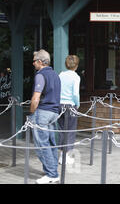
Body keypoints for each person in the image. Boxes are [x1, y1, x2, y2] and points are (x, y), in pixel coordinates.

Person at [29, 49, 61, 184]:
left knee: (42, 144)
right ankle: (52, 170)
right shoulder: (55, 75)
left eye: (34, 61)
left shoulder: (40, 75)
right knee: (51, 143)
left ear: (40, 62)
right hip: (54, 112)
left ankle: (52, 174)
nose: (33, 63)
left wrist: (31, 113)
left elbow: (36, 98)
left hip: (42, 112)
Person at [57, 55, 81, 165]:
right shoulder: (76, 77)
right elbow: (75, 93)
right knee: (70, 131)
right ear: (76, 65)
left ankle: (61, 155)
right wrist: (77, 104)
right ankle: (66, 157)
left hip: (60, 105)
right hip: (70, 106)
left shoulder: (61, 75)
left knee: (62, 130)